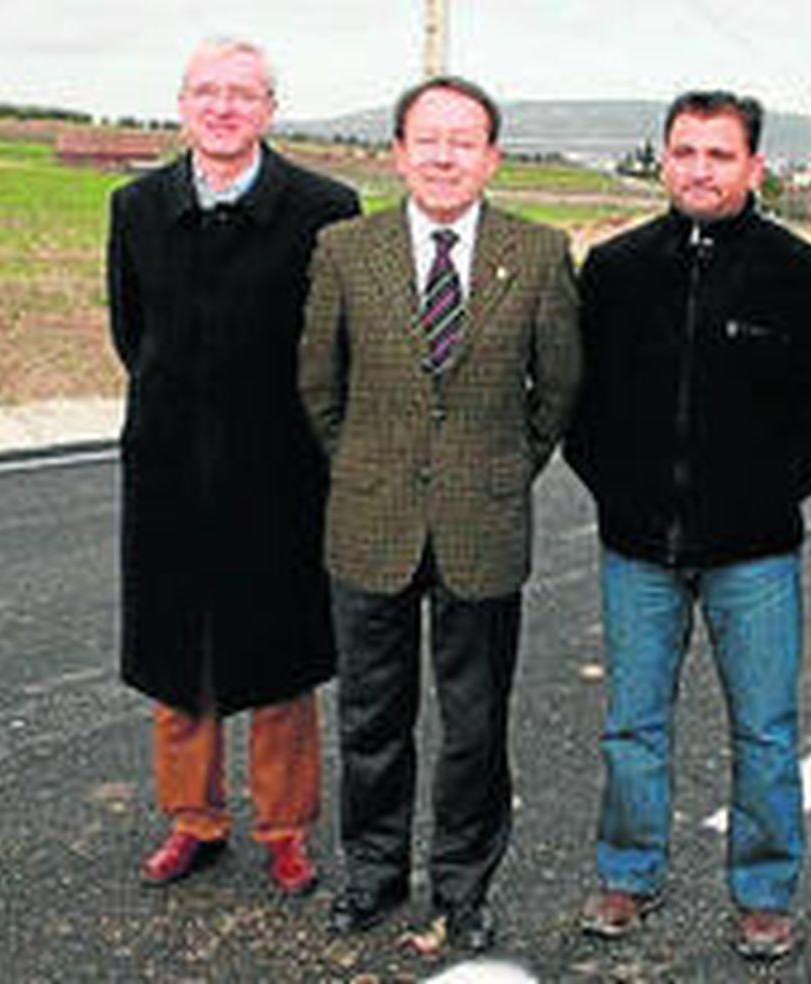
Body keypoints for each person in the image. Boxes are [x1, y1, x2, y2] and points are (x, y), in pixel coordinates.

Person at [564, 90, 811, 960]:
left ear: (752, 167)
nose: (700, 169)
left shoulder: (803, 276)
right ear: (663, 159)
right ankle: (627, 875)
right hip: (637, 549)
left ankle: (764, 893)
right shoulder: (616, 270)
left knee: (766, 729)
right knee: (632, 723)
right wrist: (617, 490)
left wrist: (778, 490)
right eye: (685, 152)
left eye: (719, 155)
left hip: (756, 554)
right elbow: (577, 402)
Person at [297, 75, 581, 954]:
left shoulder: (537, 254)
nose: (446, 154)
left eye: (465, 140)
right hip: (369, 523)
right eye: (429, 138)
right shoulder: (346, 249)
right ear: (398, 152)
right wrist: (366, 467)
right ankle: (373, 879)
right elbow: (320, 384)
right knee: (371, 721)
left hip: (482, 528)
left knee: (474, 726)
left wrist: (499, 471)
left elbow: (558, 391)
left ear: (492, 156)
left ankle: (464, 889)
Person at [106, 38, 359, 895]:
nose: (223, 107)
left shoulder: (327, 209)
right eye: (207, 92)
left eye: (242, 94)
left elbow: (334, 343)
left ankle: (286, 831)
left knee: (281, 661)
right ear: (182, 104)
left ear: (269, 110)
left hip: (282, 471)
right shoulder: (137, 206)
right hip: (170, 468)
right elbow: (131, 333)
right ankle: (194, 822)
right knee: (180, 658)